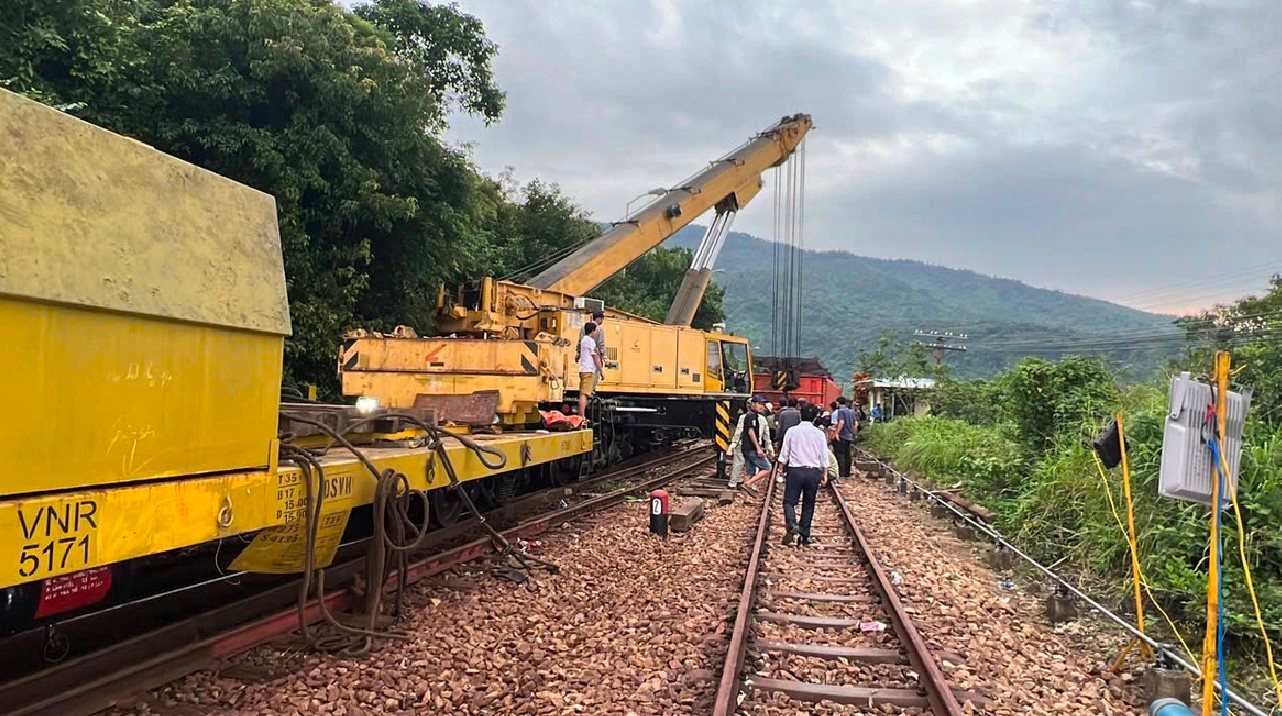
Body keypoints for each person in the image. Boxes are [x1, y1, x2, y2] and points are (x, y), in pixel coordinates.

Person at [777, 403, 828, 546]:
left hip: (795, 471)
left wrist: (780, 468)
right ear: (814, 418)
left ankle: (792, 524)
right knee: (809, 504)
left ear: (800, 415)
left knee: (789, 501)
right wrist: (824, 473)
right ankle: (805, 536)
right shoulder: (819, 434)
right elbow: (824, 455)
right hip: (813, 471)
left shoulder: (792, 431)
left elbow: (785, 452)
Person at [727, 396, 772, 488]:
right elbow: (765, 434)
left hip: (743, 445)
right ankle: (750, 484)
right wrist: (768, 446)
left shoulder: (743, 417)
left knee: (738, 464)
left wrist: (734, 444)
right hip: (754, 446)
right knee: (762, 467)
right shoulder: (761, 419)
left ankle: (733, 483)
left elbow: (739, 431)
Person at [578, 322, 601, 420]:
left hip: (583, 369)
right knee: (585, 394)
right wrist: (601, 370)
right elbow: (595, 357)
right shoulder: (590, 341)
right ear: (592, 331)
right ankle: (581, 416)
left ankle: (581, 415)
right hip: (588, 370)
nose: (596, 333)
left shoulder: (583, 340)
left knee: (583, 393)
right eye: (595, 330)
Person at [831, 397, 857, 478]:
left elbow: (841, 422)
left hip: (842, 436)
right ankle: (847, 473)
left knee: (840, 455)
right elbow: (855, 423)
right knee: (847, 454)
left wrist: (836, 434)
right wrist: (853, 433)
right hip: (849, 437)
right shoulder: (851, 411)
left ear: (838, 403)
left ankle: (841, 473)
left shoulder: (840, 411)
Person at [591, 309, 607, 382]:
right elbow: (601, 344)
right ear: (598, 318)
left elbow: (580, 341)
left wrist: (578, 354)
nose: (602, 321)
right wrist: (604, 357)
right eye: (602, 319)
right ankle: (591, 391)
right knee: (595, 375)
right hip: (595, 355)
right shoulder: (599, 329)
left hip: (585, 356)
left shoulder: (584, 327)